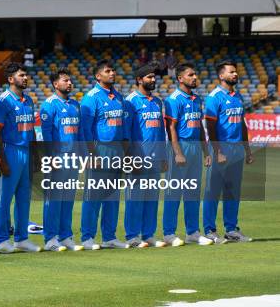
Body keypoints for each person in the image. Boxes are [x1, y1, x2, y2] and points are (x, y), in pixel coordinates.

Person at [80, 60, 129, 250]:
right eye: (107, 71)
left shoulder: (118, 97)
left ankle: (109, 237)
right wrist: (91, 155)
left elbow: (124, 127)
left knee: (113, 196)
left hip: (117, 150)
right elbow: (85, 130)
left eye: (113, 69)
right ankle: (87, 237)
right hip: (100, 149)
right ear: (98, 76)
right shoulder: (91, 97)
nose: (112, 73)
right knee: (94, 195)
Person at [203, 61, 254, 244]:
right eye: (231, 72)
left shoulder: (238, 95)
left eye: (236, 71)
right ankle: (209, 230)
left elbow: (242, 124)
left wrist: (247, 149)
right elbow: (210, 125)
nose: (235, 74)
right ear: (221, 76)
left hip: (237, 149)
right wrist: (217, 151)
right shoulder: (214, 97)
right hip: (221, 148)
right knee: (213, 191)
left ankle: (231, 229)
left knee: (233, 191)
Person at [163, 63, 213, 246]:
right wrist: (178, 153)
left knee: (192, 191)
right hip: (180, 146)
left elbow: (199, 126)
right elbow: (171, 128)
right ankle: (169, 233)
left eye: (195, 74)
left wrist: (206, 151)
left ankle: (193, 232)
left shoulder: (197, 99)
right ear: (180, 78)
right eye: (190, 75)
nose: (194, 78)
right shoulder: (173, 99)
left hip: (195, 148)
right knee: (174, 192)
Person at [0, 62, 40, 253]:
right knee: (5, 198)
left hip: (27, 151)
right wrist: (1, 159)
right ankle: (1, 238)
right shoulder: (3, 101)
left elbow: (31, 129)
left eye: (26, 75)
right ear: (11, 79)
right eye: (21, 75)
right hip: (10, 151)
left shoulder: (28, 100)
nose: (25, 78)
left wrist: (36, 154)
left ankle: (21, 238)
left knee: (24, 197)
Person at [39, 68, 85, 252]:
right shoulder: (49, 105)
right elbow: (47, 134)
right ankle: (50, 238)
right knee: (54, 199)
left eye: (70, 80)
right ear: (55, 84)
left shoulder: (75, 104)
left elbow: (80, 132)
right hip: (58, 159)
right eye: (65, 80)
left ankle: (65, 235)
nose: (69, 83)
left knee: (68, 199)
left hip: (73, 159)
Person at [123, 64, 168, 248]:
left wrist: (164, 155)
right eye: (149, 77)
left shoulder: (157, 102)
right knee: (134, 199)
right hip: (138, 157)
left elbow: (160, 130)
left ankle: (148, 234)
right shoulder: (130, 101)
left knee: (151, 199)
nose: (153, 79)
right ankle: (132, 236)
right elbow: (126, 132)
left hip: (156, 158)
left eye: (154, 77)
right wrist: (130, 157)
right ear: (139, 79)